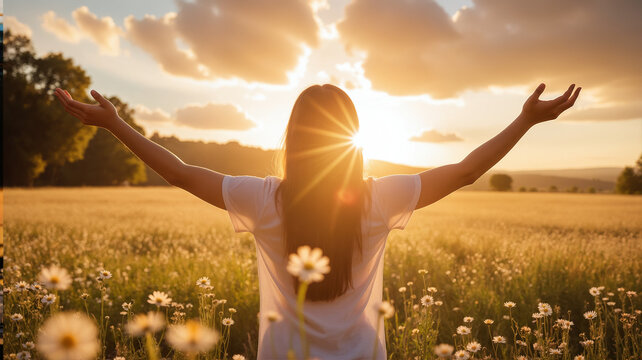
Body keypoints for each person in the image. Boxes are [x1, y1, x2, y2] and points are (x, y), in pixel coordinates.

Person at [54, 82, 580, 359]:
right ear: (353, 138)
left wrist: (116, 124)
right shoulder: (378, 200)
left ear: (293, 138)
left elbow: (184, 173)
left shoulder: (264, 199)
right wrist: (526, 120)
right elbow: (465, 171)